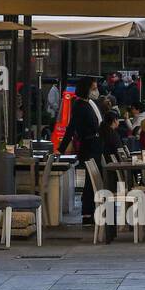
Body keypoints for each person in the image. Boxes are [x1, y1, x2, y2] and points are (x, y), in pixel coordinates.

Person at [56, 76, 104, 224]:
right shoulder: (80, 105)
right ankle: (88, 212)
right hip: (89, 147)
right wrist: (61, 149)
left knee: (93, 180)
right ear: (86, 89)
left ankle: (90, 210)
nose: (96, 91)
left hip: (94, 146)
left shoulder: (88, 104)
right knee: (91, 180)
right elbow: (71, 128)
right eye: (93, 89)